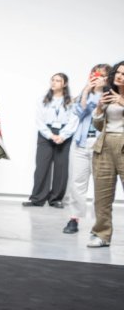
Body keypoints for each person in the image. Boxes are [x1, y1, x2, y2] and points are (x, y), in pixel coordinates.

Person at [63, 64, 110, 235]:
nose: (95, 77)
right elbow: (79, 112)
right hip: (80, 143)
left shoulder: (111, 95)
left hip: (101, 146)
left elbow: (100, 112)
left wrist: (98, 91)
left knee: (102, 187)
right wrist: (85, 92)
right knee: (77, 183)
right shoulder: (85, 93)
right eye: (94, 73)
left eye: (101, 75)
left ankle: (100, 224)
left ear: (107, 78)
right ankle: (74, 219)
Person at [23, 73, 78, 208]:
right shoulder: (43, 100)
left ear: (64, 84)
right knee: (42, 166)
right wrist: (50, 135)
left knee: (61, 167)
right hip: (45, 133)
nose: (54, 83)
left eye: (58, 81)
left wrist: (63, 135)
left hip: (64, 134)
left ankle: (56, 199)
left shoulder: (71, 100)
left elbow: (74, 119)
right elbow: (39, 120)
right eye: (52, 80)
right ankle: (37, 199)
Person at [88, 60, 124, 248]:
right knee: (102, 196)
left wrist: (122, 101)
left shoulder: (118, 98)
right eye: (118, 72)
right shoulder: (109, 94)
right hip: (104, 146)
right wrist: (100, 109)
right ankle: (101, 234)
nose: (119, 76)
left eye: (123, 74)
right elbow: (99, 125)